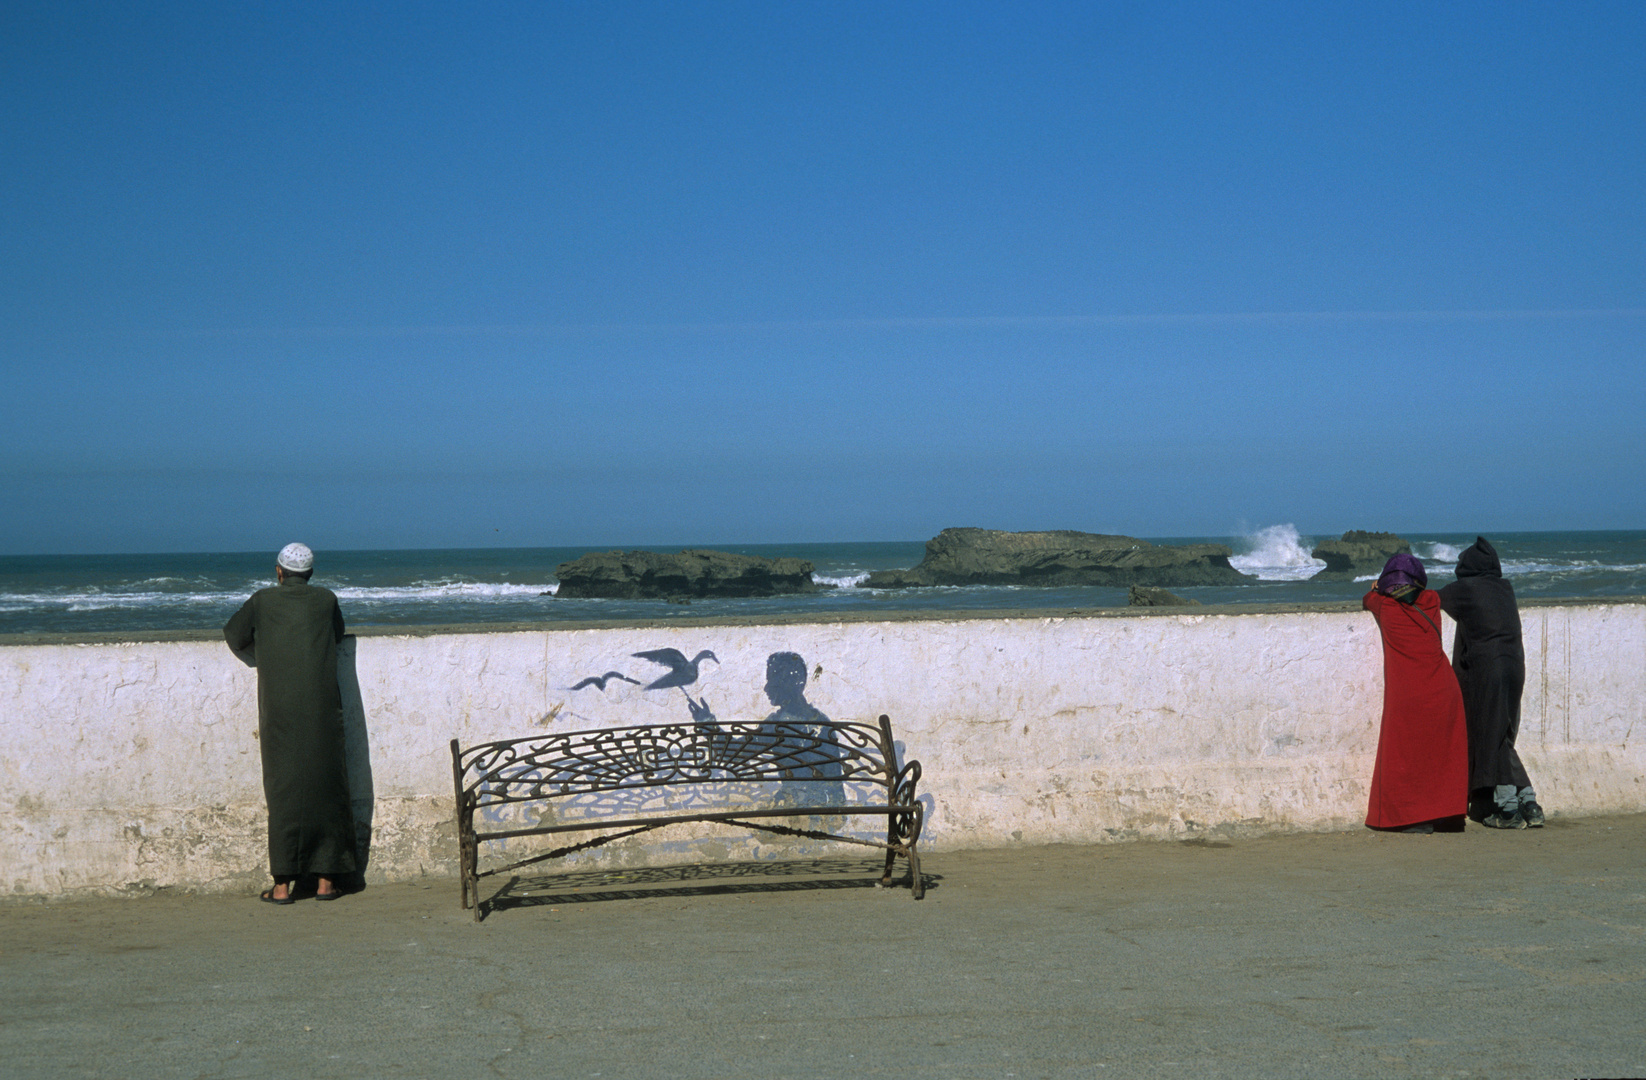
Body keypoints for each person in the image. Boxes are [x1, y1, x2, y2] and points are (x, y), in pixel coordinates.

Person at [224, 543, 357, 903]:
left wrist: (267, 651)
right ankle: (327, 881)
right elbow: (338, 634)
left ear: (279, 572)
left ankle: (282, 884)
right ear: (310, 574)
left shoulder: (263, 600)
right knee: (327, 788)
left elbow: (234, 635)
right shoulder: (326, 599)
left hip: (280, 712)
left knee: (283, 791)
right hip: (322, 711)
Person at [1361, 553, 1469, 833]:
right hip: (1444, 686)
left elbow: (1367, 599)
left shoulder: (1384, 607)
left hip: (1409, 692)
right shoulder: (1432, 600)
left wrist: (1375, 589)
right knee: (1444, 756)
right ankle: (1449, 815)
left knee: (1405, 755)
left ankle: (1410, 819)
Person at [1439, 537, 1542, 829]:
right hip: (1515, 666)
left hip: (1489, 670)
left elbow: (1427, 599)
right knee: (1504, 732)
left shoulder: (1465, 590)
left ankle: (1509, 809)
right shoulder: (1505, 588)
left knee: (1493, 733)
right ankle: (1530, 803)